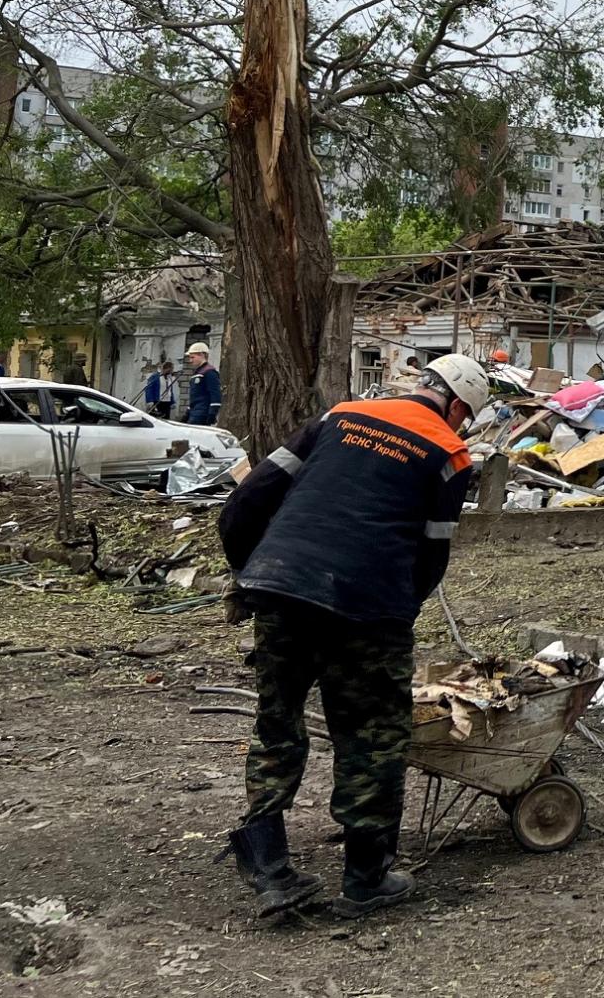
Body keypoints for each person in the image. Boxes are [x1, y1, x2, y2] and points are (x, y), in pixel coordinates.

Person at [216, 353, 487, 920]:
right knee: (372, 736)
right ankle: (366, 879)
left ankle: (267, 866)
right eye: (464, 416)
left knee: (277, 723)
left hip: (282, 590)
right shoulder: (450, 452)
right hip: (367, 608)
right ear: (458, 406)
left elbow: (245, 501)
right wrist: (398, 612)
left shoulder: (338, 415)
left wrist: (253, 575)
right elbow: (431, 555)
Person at [183, 343, 222, 426]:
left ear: (202, 355)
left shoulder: (209, 372)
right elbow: (194, 397)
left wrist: (212, 414)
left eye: (193, 357)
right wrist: (188, 412)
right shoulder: (197, 372)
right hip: (194, 413)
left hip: (203, 413)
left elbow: (215, 395)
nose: (190, 360)